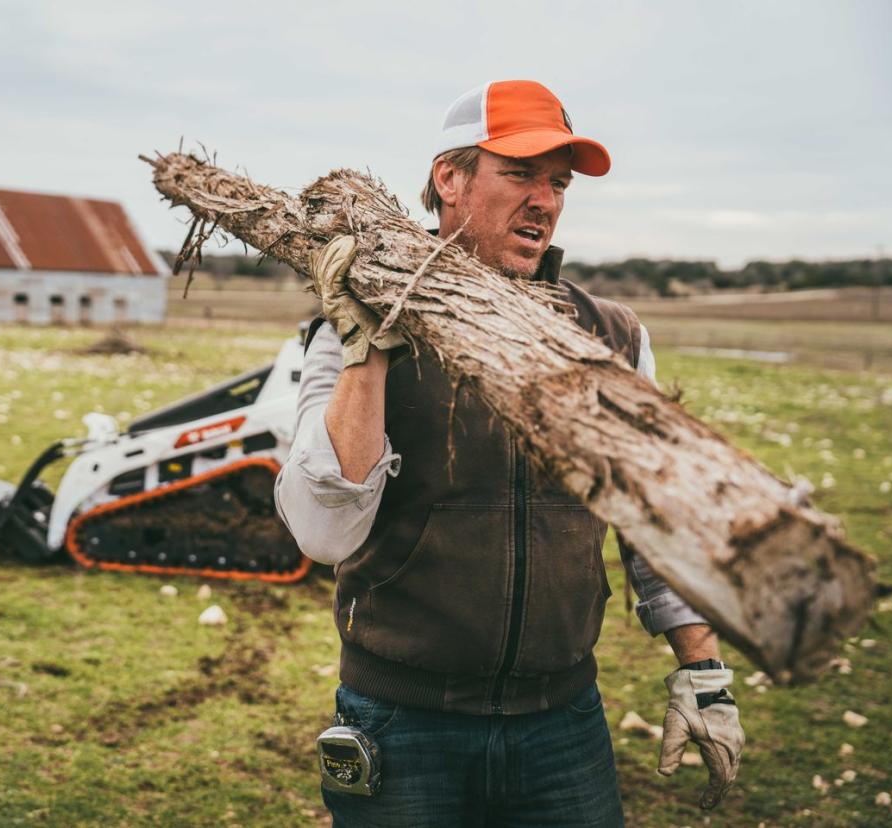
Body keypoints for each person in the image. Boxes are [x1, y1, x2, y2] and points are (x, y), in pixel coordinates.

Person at [274, 80, 744, 826]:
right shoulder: (352, 323)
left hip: (561, 723)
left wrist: (703, 668)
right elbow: (324, 534)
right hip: (402, 720)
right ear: (449, 179)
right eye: (521, 173)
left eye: (558, 183)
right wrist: (367, 351)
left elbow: (653, 516)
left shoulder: (611, 335)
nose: (546, 201)